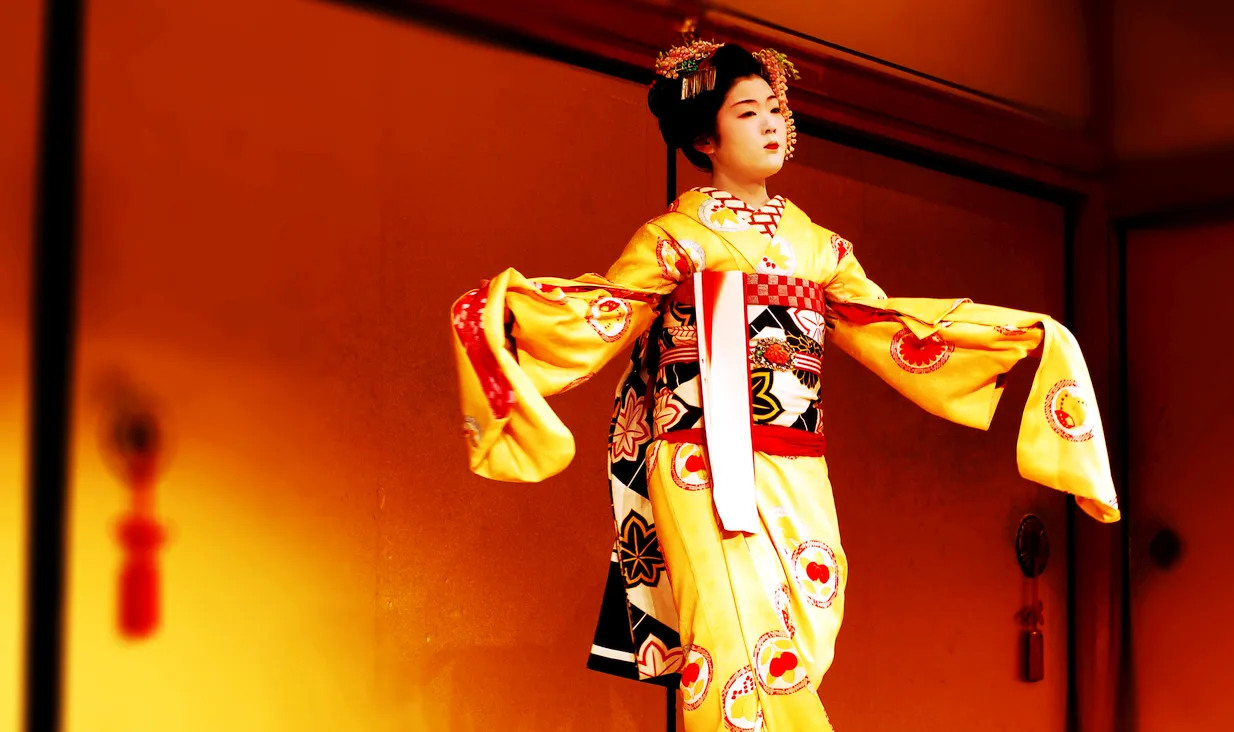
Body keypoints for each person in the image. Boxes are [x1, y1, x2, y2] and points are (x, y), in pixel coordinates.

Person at [449, 37, 1119, 732]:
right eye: (747, 112)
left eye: (775, 108)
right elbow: (603, 310)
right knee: (735, 638)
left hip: (797, 460)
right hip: (702, 462)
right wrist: (503, 314)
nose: (771, 123)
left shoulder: (819, 249)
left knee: (805, 627)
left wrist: (1018, 338)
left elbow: (890, 325)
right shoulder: (676, 239)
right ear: (705, 137)